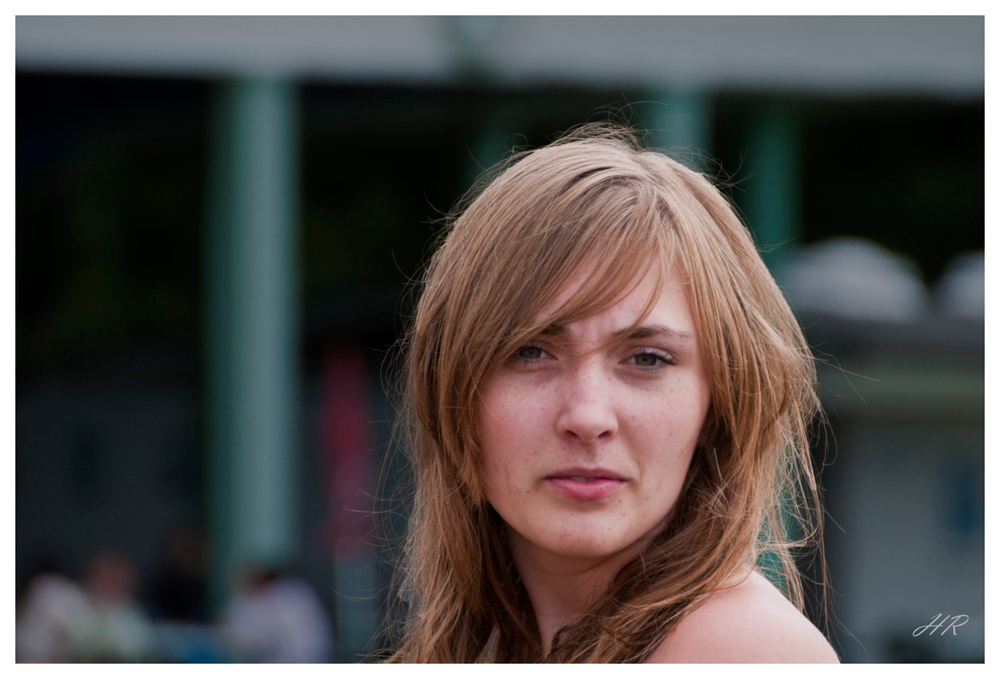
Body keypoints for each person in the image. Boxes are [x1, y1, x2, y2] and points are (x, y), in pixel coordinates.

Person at [384, 123, 838, 663]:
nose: (588, 415)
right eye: (531, 351)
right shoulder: (486, 650)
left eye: (647, 359)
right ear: (451, 391)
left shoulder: (744, 652)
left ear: (718, 405)